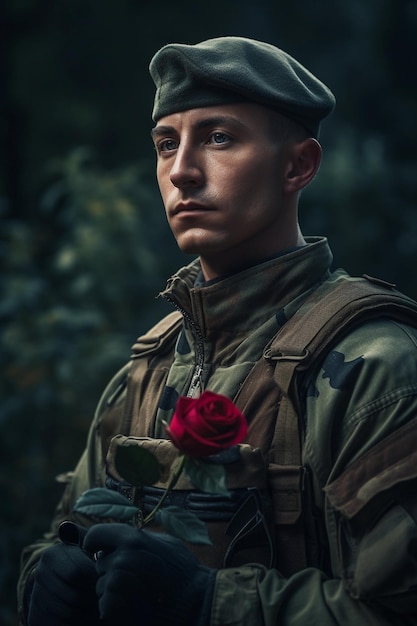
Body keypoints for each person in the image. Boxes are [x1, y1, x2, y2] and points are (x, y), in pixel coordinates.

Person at [18, 36, 417, 626]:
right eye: (165, 144)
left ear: (298, 165)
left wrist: (208, 603)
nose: (181, 172)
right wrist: (46, 577)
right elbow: (63, 532)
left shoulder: (378, 368)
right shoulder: (147, 372)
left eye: (219, 137)